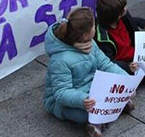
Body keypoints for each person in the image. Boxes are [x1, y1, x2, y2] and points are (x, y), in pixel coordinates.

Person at [43, 7, 133, 137]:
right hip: (64, 101)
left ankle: (110, 110)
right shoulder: (60, 60)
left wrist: (126, 80)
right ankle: (97, 121)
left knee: (113, 93)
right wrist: (82, 100)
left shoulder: (91, 44)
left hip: (91, 88)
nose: (95, 28)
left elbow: (105, 64)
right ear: (86, 34)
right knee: (87, 113)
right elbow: (60, 92)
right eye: (93, 26)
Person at [93, 0, 145, 74]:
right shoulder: (102, 37)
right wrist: (127, 66)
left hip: (137, 55)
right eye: (124, 7)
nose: (126, 8)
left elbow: (131, 21)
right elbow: (107, 62)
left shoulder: (123, 17)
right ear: (119, 15)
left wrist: (141, 22)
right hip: (123, 65)